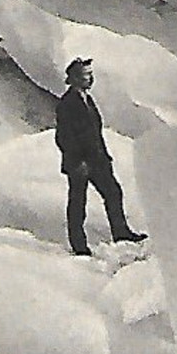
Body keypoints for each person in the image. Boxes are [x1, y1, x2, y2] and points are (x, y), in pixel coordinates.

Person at [55, 57, 146, 255]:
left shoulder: (87, 99)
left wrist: (104, 157)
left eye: (90, 75)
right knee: (78, 203)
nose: (90, 79)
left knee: (113, 192)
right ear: (74, 78)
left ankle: (121, 234)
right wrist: (78, 162)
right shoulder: (67, 103)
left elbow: (94, 132)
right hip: (80, 164)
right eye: (86, 75)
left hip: (97, 161)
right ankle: (78, 245)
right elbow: (64, 136)